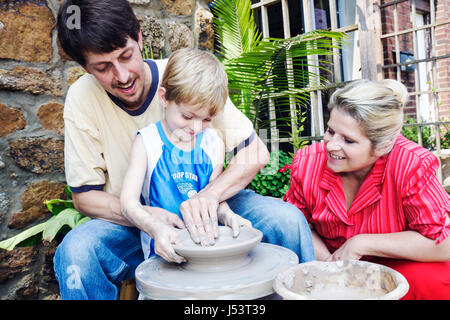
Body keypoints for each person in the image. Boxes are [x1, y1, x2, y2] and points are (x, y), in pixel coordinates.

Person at [54, 0, 315, 299]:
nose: (123, 76)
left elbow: (255, 153)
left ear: (139, 37)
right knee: (76, 251)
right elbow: (85, 197)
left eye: (126, 56)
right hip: (133, 222)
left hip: (210, 204)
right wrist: (149, 218)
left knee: (287, 220)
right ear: (84, 67)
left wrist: (209, 198)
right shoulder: (81, 98)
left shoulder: (186, 77)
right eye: (103, 67)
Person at [284, 78, 450, 300]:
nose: (332, 145)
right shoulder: (307, 163)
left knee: (434, 279)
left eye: (348, 141)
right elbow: (297, 225)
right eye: (330, 131)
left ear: (382, 146)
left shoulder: (411, 164)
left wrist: (362, 243)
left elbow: (443, 244)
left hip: (398, 264)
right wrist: (331, 266)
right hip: (329, 262)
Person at [120, 48, 251, 263]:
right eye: (187, 116)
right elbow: (128, 203)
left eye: (207, 119)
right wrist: (155, 228)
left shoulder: (213, 143)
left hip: (206, 249)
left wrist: (228, 216)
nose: (196, 127)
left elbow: (214, 198)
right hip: (161, 251)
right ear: (164, 98)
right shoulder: (147, 142)